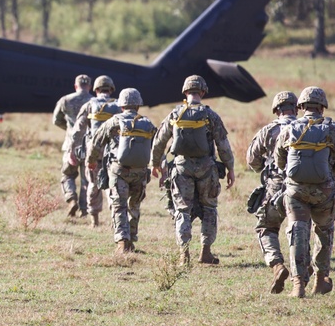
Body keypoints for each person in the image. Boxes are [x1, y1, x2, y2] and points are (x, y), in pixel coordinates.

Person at [275, 86, 335, 298]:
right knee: (323, 232)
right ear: (322, 107)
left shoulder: (290, 129)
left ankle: (298, 286)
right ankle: (320, 281)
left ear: (301, 107)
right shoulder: (332, 129)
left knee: (297, 232)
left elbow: (279, 160)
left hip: (295, 192)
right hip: (325, 192)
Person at [151, 74, 236, 265]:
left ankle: (184, 253)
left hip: (181, 168)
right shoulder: (210, 115)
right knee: (209, 208)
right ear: (203, 92)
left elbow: (159, 141)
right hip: (207, 168)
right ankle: (206, 252)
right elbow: (223, 145)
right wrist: (230, 168)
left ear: (185, 92)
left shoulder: (175, 114)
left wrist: (155, 164)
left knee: (182, 210)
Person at [87, 88, 156, 255]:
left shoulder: (113, 121)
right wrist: (158, 166)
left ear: (121, 104)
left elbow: (97, 142)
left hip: (118, 171)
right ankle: (131, 239)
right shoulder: (147, 123)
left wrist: (91, 160)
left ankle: (122, 242)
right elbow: (157, 145)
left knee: (119, 205)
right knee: (134, 205)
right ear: (138, 104)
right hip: (140, 172)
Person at [246, 91, 297, 294]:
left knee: (266, 227)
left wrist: (264, 167)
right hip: (302, 187)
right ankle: (303, 267)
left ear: (276, 111)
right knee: (301, 227)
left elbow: (252, 160)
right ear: (297, 108)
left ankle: (277, 265)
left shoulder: (268, 130)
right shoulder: (309, 128)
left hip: (275, 187)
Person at [66, 75, 121, 227]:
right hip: (113, 154)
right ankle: (115, 220)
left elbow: (78, 130)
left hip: (94, 153)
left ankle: (94, 221)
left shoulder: (90, 105)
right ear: (111, 90)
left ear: (96, 89)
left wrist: (72, 150)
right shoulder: (118, 105)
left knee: (93, 185)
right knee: (113, 186)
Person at [53, 74, 92, 217]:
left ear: (76, 86)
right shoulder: (94, 102)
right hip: (89, 145)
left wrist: (70, 129)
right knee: (87, 179)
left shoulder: (65, 100)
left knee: (67, 174)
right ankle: (84, 209)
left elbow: (56, 120)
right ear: (89, 86)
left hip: (71, 145)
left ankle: (71, 198)